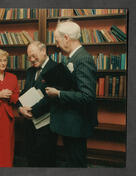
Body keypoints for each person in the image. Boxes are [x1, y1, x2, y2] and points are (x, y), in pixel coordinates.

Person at [45, 20, 98, 167]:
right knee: (73, 161)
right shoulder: (72, 57)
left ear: (67, 38)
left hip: (77, 124)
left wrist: (59, 93)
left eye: (57, 41)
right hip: (71, 123)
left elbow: (87, 96)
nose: (56, 45)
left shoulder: (83, 59)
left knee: (77, 163)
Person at [18, 41, 58, 167]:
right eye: (29, 57)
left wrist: (32, 111)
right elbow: (24, 92)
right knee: (31, 158)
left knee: (46, 160)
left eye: (34, 56)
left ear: (43, 51)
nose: (32, 59)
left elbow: (51, 98)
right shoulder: (30, 71)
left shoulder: (56, 68)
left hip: (47, 125)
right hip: (29, 123)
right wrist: (20, 108)